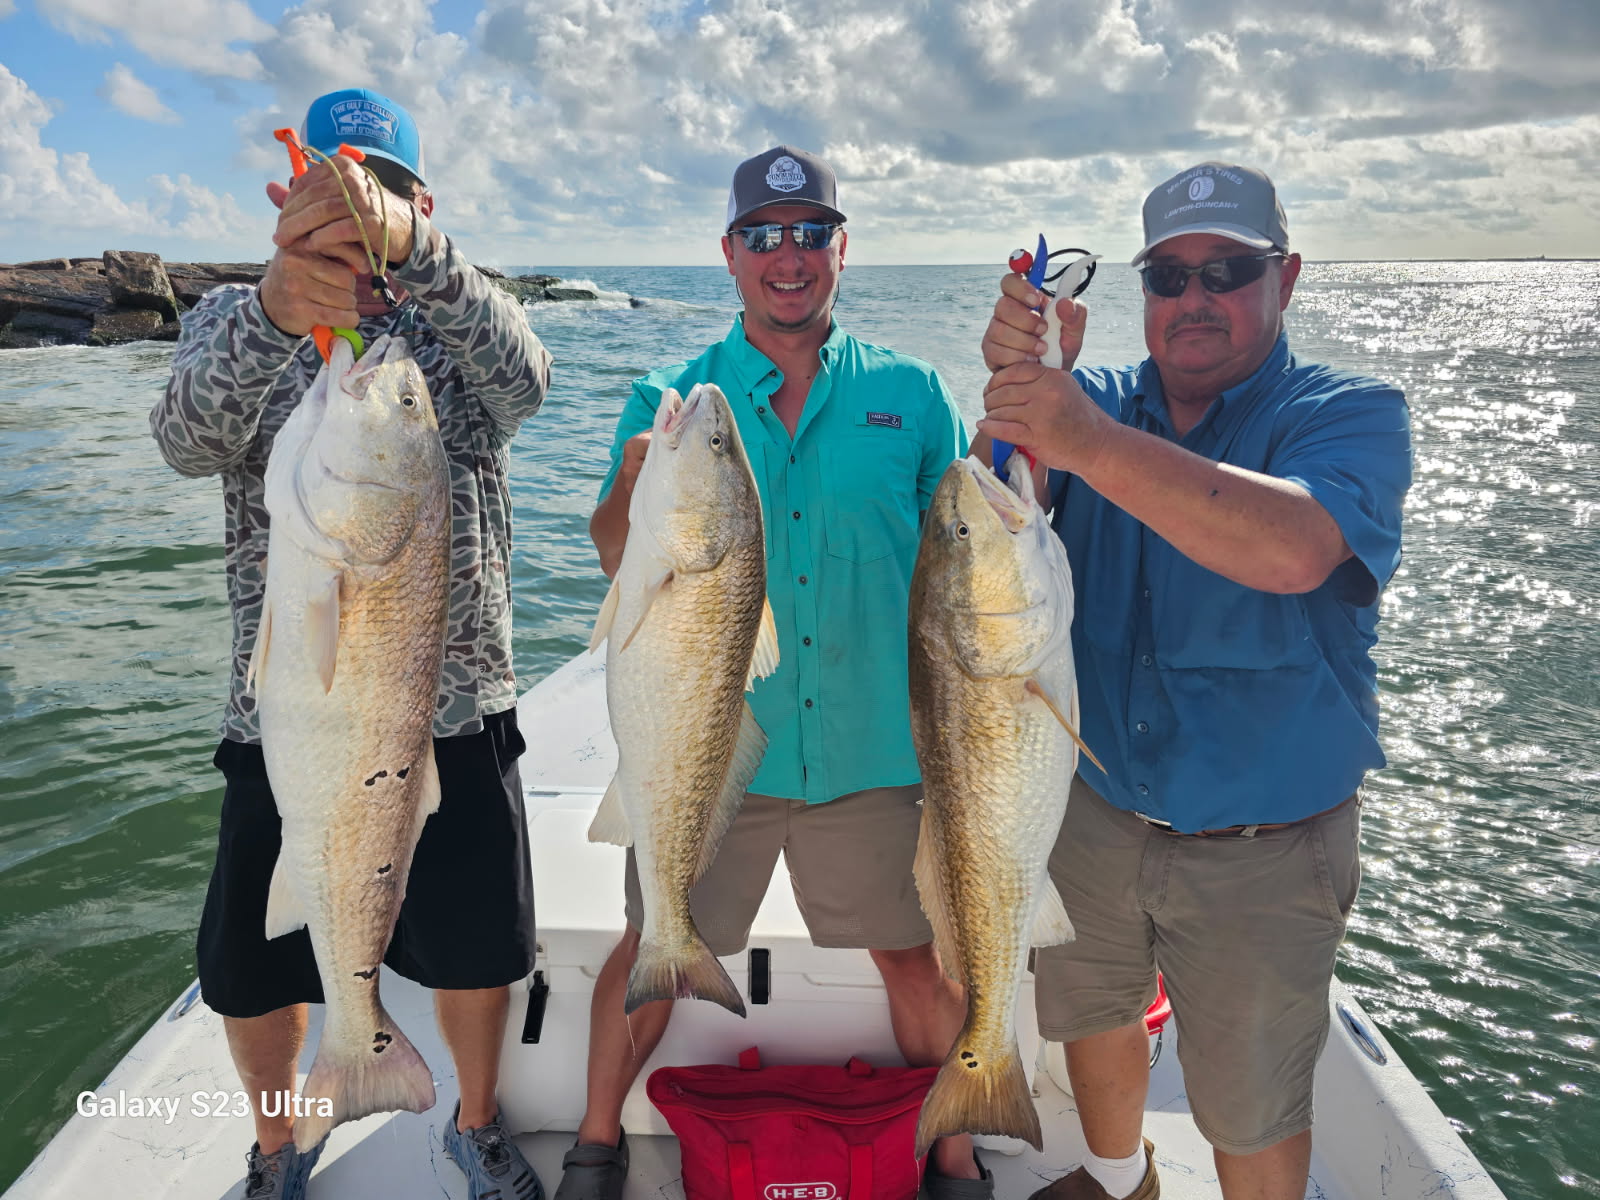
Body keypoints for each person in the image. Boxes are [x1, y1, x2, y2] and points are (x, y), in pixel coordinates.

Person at [974, 162, 1412, 1200]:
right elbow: (991, 530)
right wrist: (1019, 399)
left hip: (1262, 848)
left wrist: (1083, 434)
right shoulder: (1104, 404)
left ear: (1286, 277)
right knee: (1092, 1014)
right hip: (1095, 807)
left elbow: (1296, 546)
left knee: (1250, 1100)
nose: (1194, 297)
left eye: (1227, 270)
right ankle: (1121, 1178)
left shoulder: (1349, 412)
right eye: (1167, 277)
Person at [562, 146, 985, 1200]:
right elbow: (617, 552)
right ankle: (593, 1142)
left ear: (841, 248)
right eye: (763, 235)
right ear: (729, 254)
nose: (786, 257)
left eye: (808, 233)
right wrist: (627, 477)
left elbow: (968, 552)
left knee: (913, 957)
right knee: (648, 938)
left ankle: (957, 1150)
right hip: (709, 748)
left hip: (873, 747)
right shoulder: (670, 400)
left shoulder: (915, 393)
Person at [151, 88, 551, 1200]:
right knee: (251, 965)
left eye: (380, 182)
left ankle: (472, 1123)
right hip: (293, 709)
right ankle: (281, 1146)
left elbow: (528, 378)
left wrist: (419, 253)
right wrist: (281, 306)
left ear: (418, 198)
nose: (353, 201)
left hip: (461, 702)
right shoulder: (240, 316)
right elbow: (184, 440)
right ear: (292, 190)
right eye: (335, 176)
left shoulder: (455, 323)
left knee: (479, 945)